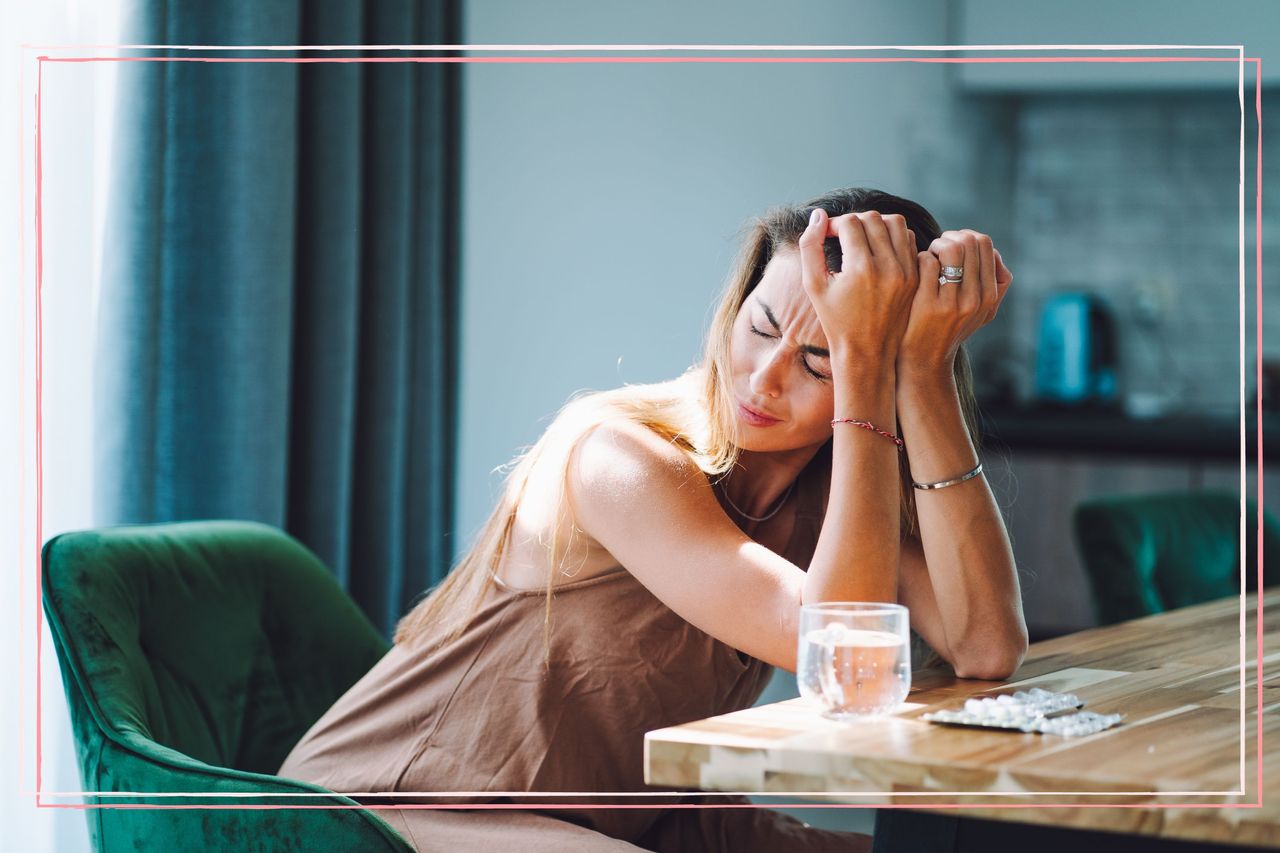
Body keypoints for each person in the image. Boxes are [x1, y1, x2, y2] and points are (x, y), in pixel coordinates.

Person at [278, 187, 1028, 852]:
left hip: (615, 815)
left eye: (818, 361)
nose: (764, 378)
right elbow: (845, 663)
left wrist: (923, 370)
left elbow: (985, 644)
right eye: (761, 327)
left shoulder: (830, 504)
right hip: (381, 811)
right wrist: (861, 361)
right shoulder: (615, 455)